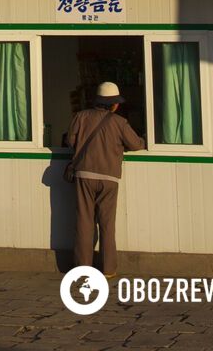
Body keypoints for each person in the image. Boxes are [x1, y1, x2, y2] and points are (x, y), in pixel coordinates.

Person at [65, 78, 144, 277]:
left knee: (84, 221)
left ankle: (83, 269)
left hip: (84, 174)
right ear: (115, 104)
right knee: (107, 224)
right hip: (109, 177)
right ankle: (108, 269)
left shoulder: (81, 116)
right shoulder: (120, 122)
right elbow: (136, 144)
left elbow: (70, 141)